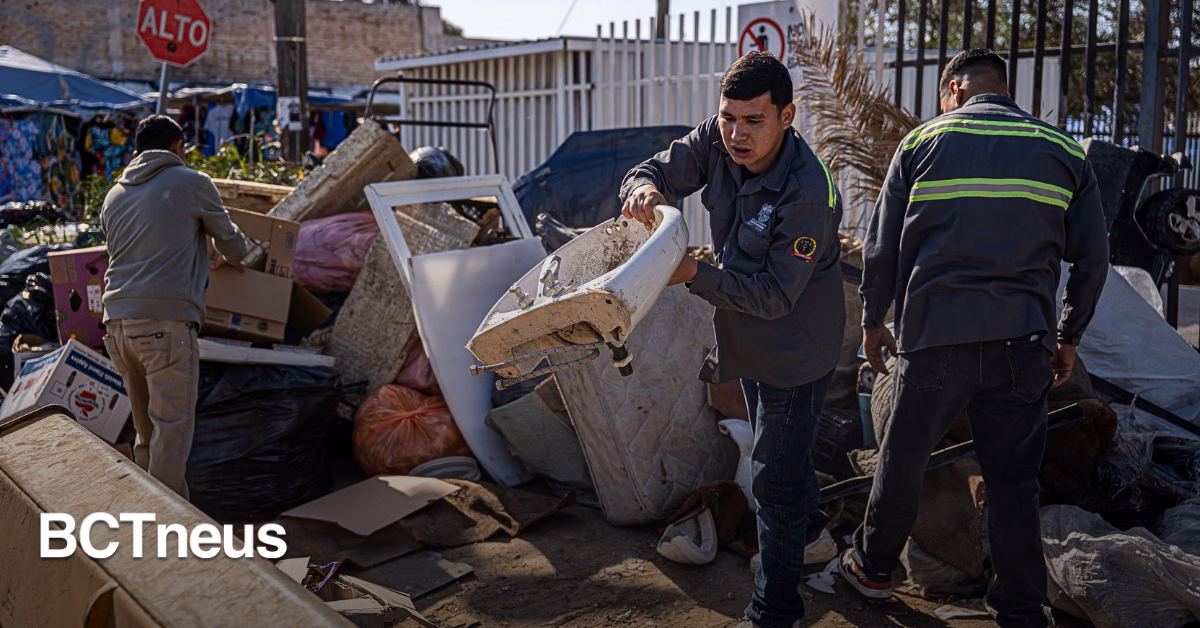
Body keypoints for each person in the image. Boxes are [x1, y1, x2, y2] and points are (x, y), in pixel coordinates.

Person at [842, 49, 1109, 627]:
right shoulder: (1064, 151)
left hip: (935, 339)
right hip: (1024, 343)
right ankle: (1019, 608)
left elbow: (882, 248)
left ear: (953, 90)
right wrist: (1069, 335)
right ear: (1004, 91)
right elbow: (1093, 259)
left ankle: (873, 569)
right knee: (1014, 481)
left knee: (903, 461)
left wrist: (872, 320)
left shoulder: (919, 146)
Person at [620, 50, 846, 628]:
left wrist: (692, 273)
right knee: (786, 460)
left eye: (754, 121)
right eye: (728, 118)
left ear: (788, 115)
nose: (737, 134)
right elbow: (656, 169)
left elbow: (773, 295)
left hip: (796, 348)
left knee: (773, 474)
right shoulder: (717, 141)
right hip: (744, 335)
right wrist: (645, 188)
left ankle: (776, 610)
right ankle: (814, 541)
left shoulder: (807, 191)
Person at [101, 115, 253, 499]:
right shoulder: (191, 182)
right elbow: (235, 245)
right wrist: (229, 254)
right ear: (178, 147)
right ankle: (161, 536)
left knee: (148, 436)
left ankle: (164, 522)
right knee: (172, 434)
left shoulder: (114, 195)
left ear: (136, 152)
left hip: (117, 327)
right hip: (165, 327)